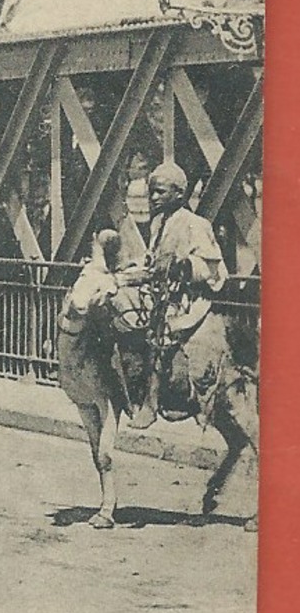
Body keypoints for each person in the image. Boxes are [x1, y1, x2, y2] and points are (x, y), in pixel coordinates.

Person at [121, 161, 227, 429]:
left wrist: (183, 265)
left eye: (160, 192)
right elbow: (154, 261)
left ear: (179, 194)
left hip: (187, 300)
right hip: (161, 294)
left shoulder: (195, 224)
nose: (153, 198)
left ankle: (152, 404)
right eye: (151, 192)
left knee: (161, 336)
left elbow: (213, 268)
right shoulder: (160, 223)